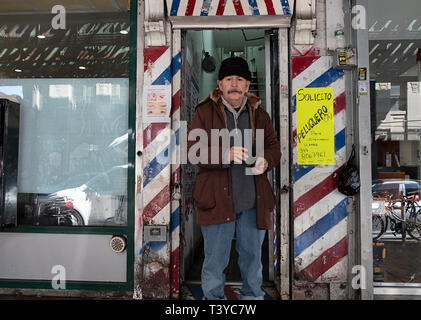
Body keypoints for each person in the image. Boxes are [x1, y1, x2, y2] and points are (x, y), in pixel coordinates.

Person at [187, 56, 281, 300]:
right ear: (219, 84)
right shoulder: (204, 112)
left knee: (252, 258)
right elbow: (193, 150)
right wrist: (224, 154)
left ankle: (252, 298)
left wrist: (267, 160)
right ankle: (213, 300)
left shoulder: (260, 114)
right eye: (229, 79)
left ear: (248, 85)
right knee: (215, 259)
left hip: (252, 201)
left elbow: (273, 146)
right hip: (217, 201)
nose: (234, 84)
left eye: (240, 79)